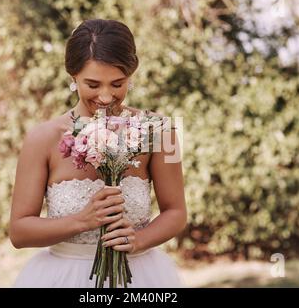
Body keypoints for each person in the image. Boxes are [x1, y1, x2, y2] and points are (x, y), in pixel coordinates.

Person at [10, 18, 187, 287]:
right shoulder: (41, 138)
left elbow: (176, 212)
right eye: (93, 85)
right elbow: (19, 232)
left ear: (131, 75)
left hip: (141, 278)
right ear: (73, 77)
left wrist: (139, 240)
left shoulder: (161, 130)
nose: (105, 97)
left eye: (117, 84)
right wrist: (82, 221)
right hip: (65, 278)